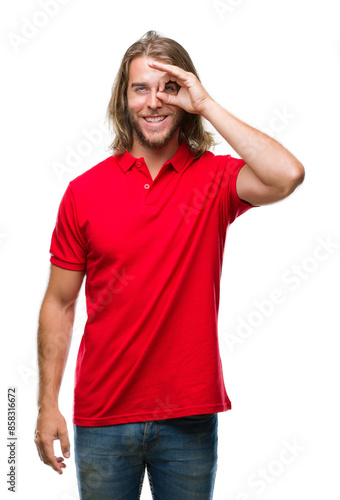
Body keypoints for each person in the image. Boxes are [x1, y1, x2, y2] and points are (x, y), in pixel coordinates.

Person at [34, 30, 304, 499]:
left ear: (185, 98)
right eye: (141, 88)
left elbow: (288, 175)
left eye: (169, 89)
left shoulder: (216, 178)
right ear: (124, 99)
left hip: (189, 417)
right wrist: (44, 405)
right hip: (103, 417)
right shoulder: (84, 192)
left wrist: (208, 103)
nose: (154, 102)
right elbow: (59, 303)